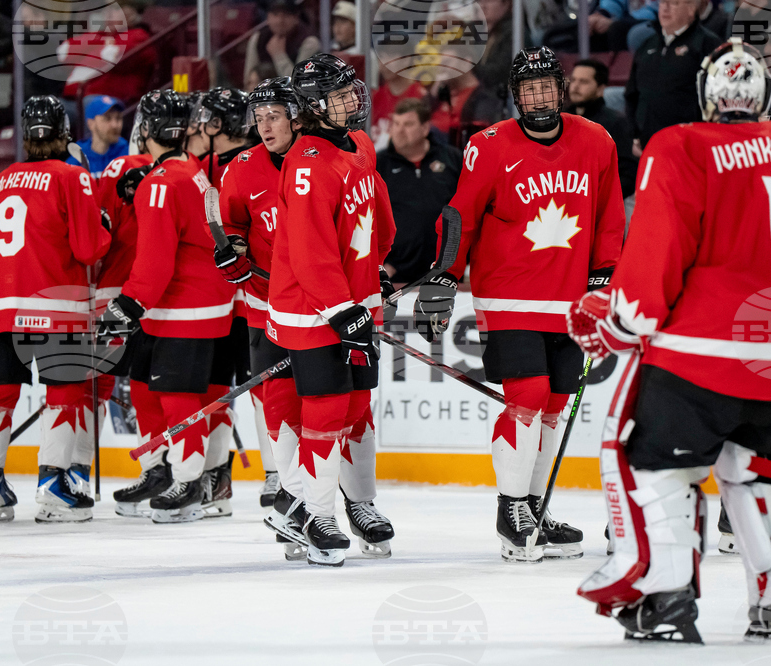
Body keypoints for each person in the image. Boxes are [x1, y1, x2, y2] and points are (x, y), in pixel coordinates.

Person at [569, 39, 771, 643]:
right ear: (762, 95)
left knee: (654, 463)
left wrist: (620, 321)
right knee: (767, 469)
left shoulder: (681, 143)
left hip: (705, 356)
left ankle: (664, 598)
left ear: (707, 95)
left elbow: (660, 247)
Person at [416, 47, 626, 563]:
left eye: (545, 87)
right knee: (528, 395)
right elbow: (460, 215)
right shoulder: (488, 146)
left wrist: (605, 273)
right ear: (516, 97)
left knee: (554, 405)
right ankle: (511, 510)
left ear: (560, 89)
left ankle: (534, 505)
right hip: (509, 293)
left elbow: (609, 212)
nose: (538, 97)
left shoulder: (596, 140)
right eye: (527, 89)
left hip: (571, 295)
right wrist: (445, 277)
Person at [266, 53, 396, 567]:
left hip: (355, 297)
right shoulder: (305, 164)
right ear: (313, 106)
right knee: (324, 410)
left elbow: (377, 214)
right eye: (339, 95)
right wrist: (342, 310)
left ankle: (359, 504)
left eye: (350, 91)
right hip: (312, 309)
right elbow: (309, 250)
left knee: (358, 407)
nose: (351, 101)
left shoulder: (360, 144)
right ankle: (316, 513)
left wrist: (378, 270)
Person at [96, 90, 236, 524]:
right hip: (182, 304)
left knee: (178, 397)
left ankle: (189, 482)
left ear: (147, 130)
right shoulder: (183, 171)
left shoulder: (161, 183)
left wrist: (127, 304)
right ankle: (159, 469)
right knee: (143, 385)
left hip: (183, 306)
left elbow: (155, 261)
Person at [0, 96, 110, 523]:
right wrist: (103, 223)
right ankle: (53, 487)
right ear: (64, 134)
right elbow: (89, 248)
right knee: (63, 394)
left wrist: (2, 300)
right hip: (56, 304)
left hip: (0, 306)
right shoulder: (72, 177)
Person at [215, 77, 301, 551]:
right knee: (274, 398)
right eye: (259, 119)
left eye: (274, 117)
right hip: (263, 303)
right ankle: (282, 480)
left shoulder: (319, 158)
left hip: (317, 305)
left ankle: (336, 492)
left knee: (323, 401)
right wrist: (235, 252)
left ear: (295, 115)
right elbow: (232, 225)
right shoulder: (241, 168)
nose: (265, 127)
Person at [188, 86, 258, 518]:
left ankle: (275, 480)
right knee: (215, 391)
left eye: (204, 119)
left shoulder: (254, 166)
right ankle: (216, 480)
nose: (197, 126)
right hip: (215, 303)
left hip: (251, 300)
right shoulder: (200, 167)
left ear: (217, 124)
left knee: (267, 392)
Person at [94, 133, 155, 512]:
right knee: (152, 384)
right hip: (158, 297)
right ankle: (161, 471)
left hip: (114, 295)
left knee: (95, 387)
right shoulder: (186, 170)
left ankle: (76, 476)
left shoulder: (117, 168)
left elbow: (97, 238)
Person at [376, 99, 462, 285]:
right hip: (395, 276)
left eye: (408, 124)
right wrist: (382, 265)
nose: (399, 130)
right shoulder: (378, 165)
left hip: (447, 274)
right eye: (396, 124)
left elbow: (470, 210)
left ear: (425, 128)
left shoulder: (452, 159)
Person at [625, 0, 721, 155]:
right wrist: (634, 134)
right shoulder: (647, 45)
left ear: (691, 9)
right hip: (648, 146)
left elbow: (717, 96)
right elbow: (632, 94)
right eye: (663, 2)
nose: (666, 8)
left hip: (689, 147)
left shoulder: (707, 44)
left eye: (674, 3)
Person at [568, 59, 638, 198]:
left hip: (601, 206)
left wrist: (599, 200)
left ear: (600, 89)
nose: (575, 87)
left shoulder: (615, 123)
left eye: (583, 82)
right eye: (573, 80)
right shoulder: (561, 120)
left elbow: (628, 174)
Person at [244, 0, 320, 82]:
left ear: (296, 18)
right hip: (263, 92)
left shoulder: (309, 42)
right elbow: (248, 80)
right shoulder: (258, 38)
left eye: (286, 15)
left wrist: (279, 55)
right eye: (275, 15)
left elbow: (300, 83)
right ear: (268, 17)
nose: (280, 21)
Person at [67, 96, 129, 178]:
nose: (115, 125)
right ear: (90, 123)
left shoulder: (129, 154)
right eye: (107, 118)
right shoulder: (77, 158)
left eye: (118, 118)